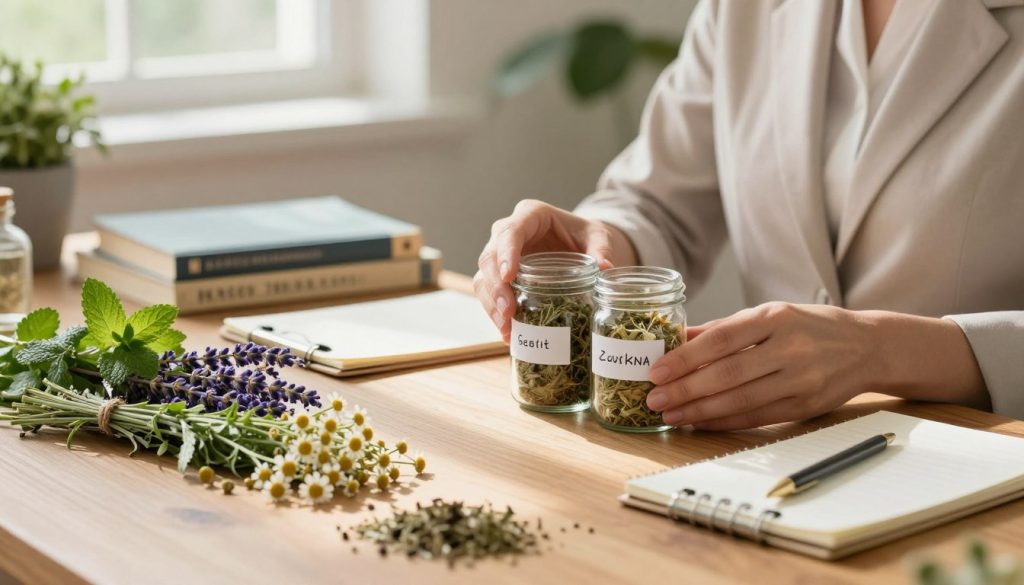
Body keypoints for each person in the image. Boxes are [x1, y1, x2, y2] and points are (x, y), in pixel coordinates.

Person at [474, 0, 1024, 430]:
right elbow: (658, 199)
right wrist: (602, 240)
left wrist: (880, 350)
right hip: (768, 454)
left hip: (986, 465)